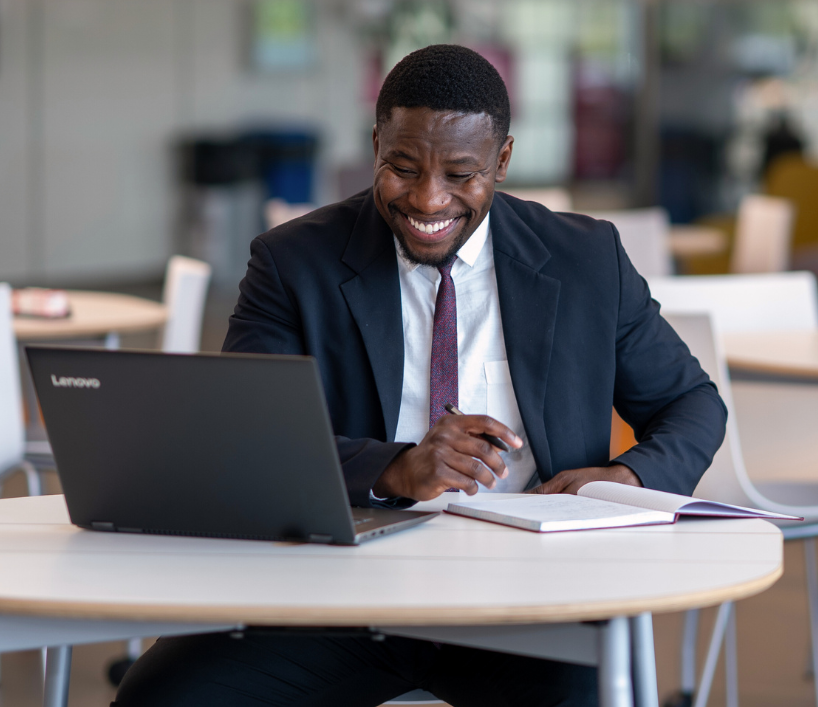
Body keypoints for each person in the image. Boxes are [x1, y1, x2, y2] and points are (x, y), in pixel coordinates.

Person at [114, 44, 726, 707]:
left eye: (461, 174)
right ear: (375, 144)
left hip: (532, 598)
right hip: (337, 595)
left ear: (503, 160)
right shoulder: (295, 262)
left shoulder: (586, 259)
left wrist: (627, 478)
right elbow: (243, 437)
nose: (427, 199)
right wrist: (395, 468)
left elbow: (691, 402)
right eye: (401, 168)